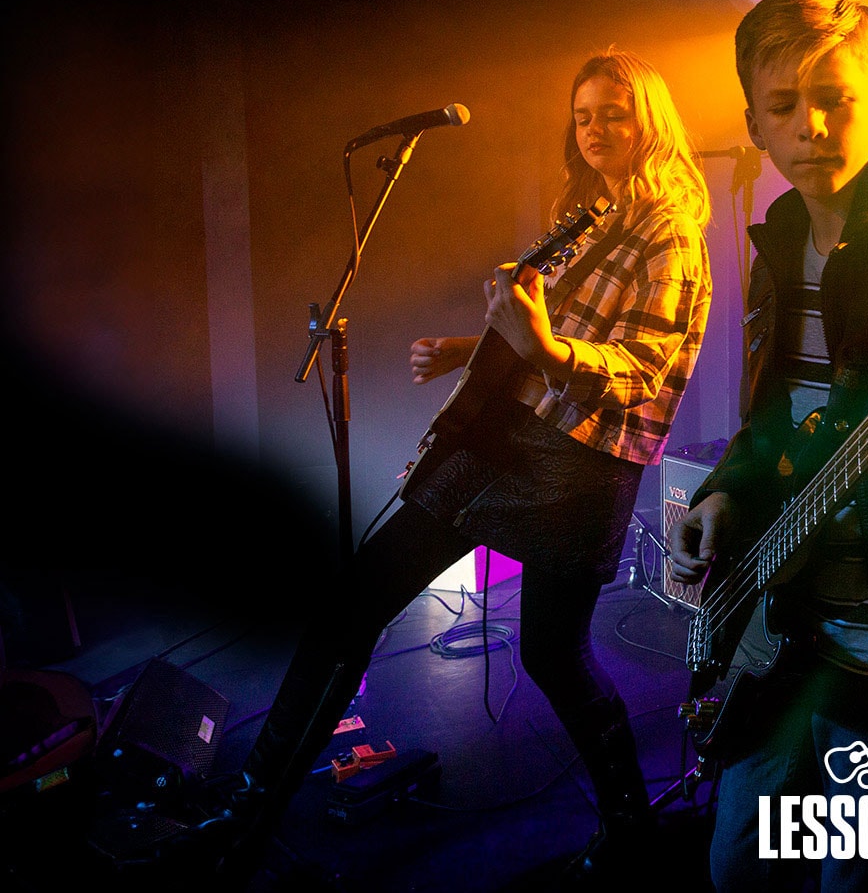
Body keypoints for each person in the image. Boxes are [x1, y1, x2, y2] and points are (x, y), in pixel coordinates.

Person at [208, 47, 713, 888]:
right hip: (509, 441)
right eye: (582, 115)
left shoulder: (670, 230)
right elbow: (537, 332)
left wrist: (541, 345)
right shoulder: (589, 213)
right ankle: (253, 808)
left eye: (612, 114)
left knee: (551, 654)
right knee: (360, 599)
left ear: (649, 123)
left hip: (574, 466)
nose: (593, 129)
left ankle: (631, 830)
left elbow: (643, 370)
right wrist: (465, 350)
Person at [668, 0, 868, 893]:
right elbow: (771, 417)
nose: (811, 124)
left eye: (836, 99)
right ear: (755, 125)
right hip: (782, 622)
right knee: (736, 872)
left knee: (862, 886)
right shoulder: (781, 237)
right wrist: (724, 489)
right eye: (784, 105)